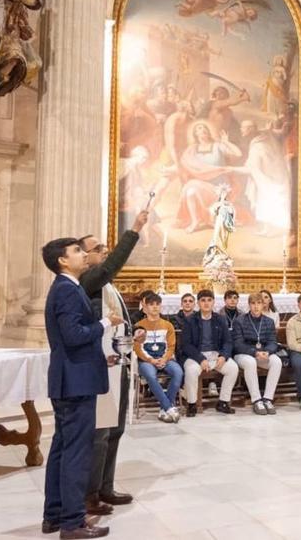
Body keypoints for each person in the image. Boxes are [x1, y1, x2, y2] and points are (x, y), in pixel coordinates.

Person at [40, 237, 122, 539]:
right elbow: (74, 335)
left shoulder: (69, 288)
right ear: (63, 260)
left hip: (73, 376)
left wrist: (103, 355)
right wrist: (104, 323)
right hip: (75, 382)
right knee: (75, 453)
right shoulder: (66, 290)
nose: (83, 254)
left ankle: (55, 515)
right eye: (76, 250)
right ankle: (72, 523)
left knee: (63, 450)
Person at [77, 211, 147, 516]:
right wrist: (134, 229)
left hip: (119, 362)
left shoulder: (107, 285)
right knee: (100, 432)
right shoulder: (88, 279)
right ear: (83, 256)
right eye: (99, 249)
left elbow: (116, 321)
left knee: (115, 429)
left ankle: (106, 486)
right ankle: (90, 494)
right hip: (100, 364)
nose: (105, 252)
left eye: (106, 248)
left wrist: (133, 334)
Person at [178, 290, 238, 417]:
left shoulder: (220, 319)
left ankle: (223, 402)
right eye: (203, 300)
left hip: (215, 354)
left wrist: (223, 356)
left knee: (233, 368)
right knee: (191, 370)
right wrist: (201, 359)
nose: (206, 303)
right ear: (198, 303)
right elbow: (186, 345)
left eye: (209, 300)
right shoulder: (190, 321)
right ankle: (192, 404)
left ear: (214, 302)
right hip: (195, 355)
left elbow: (228, 342)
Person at [133, 292, 184, 423]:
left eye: (157, 304)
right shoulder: (139, 325)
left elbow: (171, 346)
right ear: (145, 308)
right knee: (150, 375)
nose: (155, 307)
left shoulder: (168, 325)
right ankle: (169, 407)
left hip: (165, 358)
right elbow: (137, 348)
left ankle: (163, 409)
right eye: (151, 304)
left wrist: (164, 359)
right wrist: (151, 360)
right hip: (146, 359)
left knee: (178, 372)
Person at [232, 294, 283, 415]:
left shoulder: (268, 321)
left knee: (277, 361)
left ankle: (268, 398)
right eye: (253, 303)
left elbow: (272, 342)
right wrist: (254, 352)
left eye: (259, 303)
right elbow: (238, 344)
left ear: (263, 305)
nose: (256, 307)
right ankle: (256, 400)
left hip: (263, 353)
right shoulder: (239, 321)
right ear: (249, 305)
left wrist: (268, 352)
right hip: (243, 354)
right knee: (250, 362)